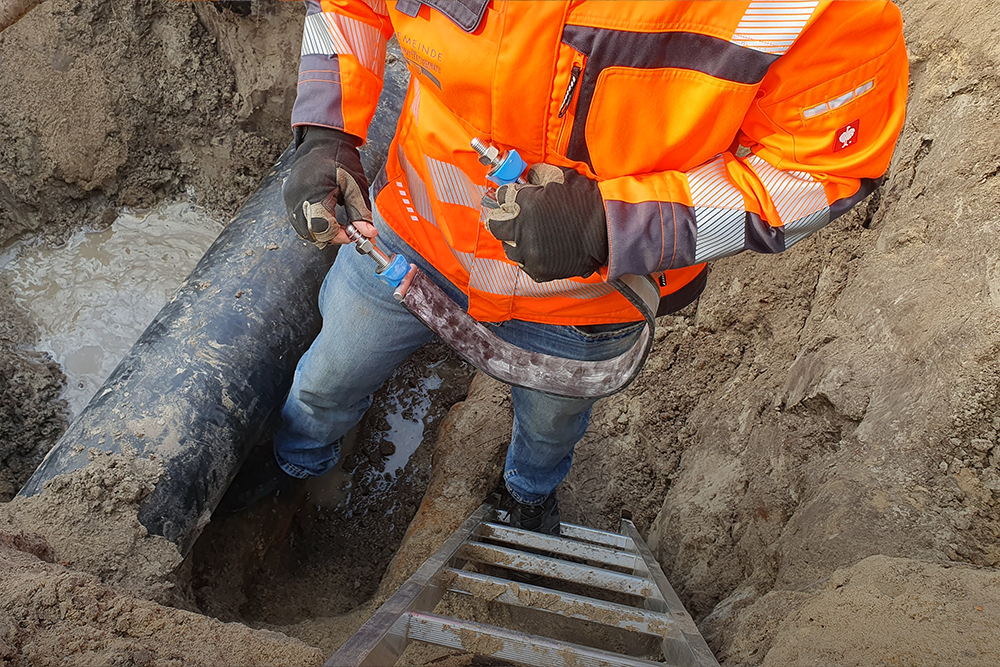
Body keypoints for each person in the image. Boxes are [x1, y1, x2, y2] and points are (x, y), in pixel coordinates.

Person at [275, 0, 908, 534]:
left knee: (550, 430)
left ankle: (526, 496)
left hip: (583, 304)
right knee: (326, 378)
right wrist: (326, 129)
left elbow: (821, 168)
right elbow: (346, 7)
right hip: (410, 235)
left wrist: (613, 224)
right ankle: (295, 469)